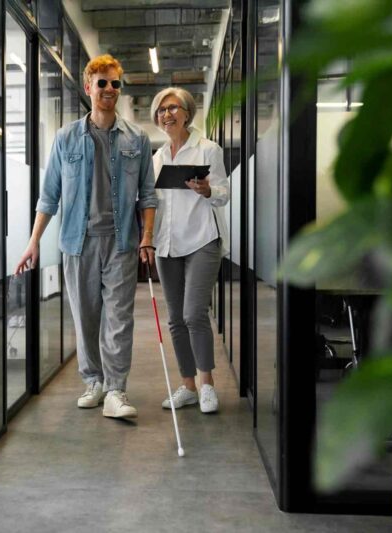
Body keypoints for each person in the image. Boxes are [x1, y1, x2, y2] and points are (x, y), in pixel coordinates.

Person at [15, 54, 157, 420]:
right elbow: (49, 196)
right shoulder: (66, 138)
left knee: (119, 319)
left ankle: (115, 389)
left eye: (115, 84)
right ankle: (93, 381)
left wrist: (147, 238)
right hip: (78, 243)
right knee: (86, 317)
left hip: (122, 242)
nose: (109, 90)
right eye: (103, 83)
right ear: (88, 86)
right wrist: (33, 242)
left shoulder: (137, 139)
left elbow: (148, 195)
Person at [149, 87, 230, 414]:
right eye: (160, 110)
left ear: (186, 113)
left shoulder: (208, 150)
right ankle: (188, 387)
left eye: (172, 108)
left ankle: (207, 383)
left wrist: (207, 189)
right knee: (174, 320)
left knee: (194, 313)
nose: (166, 114)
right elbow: (152, 202)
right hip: (167, 245)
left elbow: (223, 194)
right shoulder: (157, 158)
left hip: (201, 240)